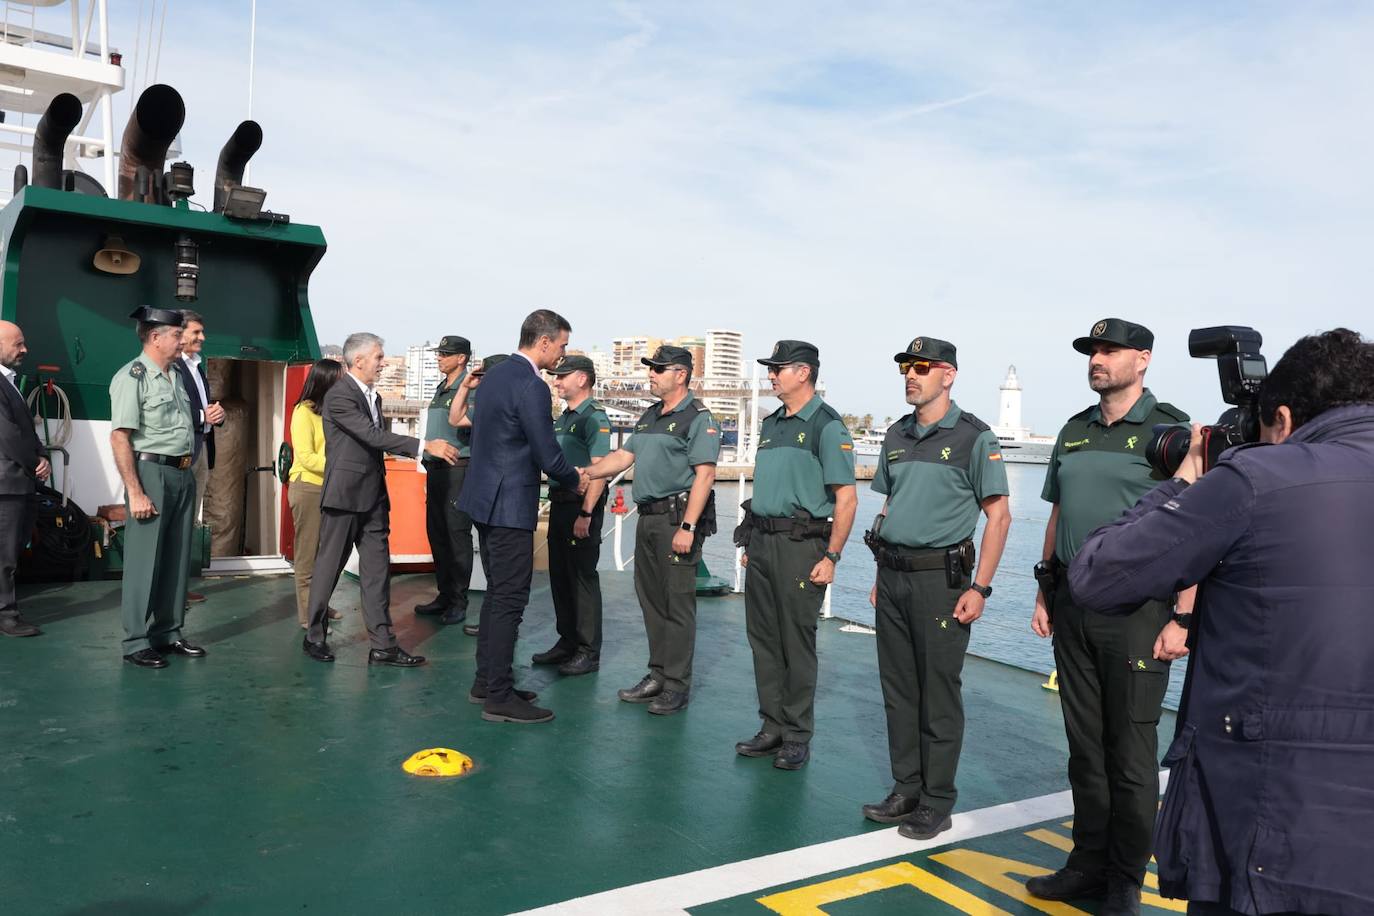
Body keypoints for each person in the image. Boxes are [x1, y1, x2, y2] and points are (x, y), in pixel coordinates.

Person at [1068, 328, 1374, 916]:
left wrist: (1188, 478)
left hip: (1268, 827)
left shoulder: (1257, 480)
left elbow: (1099, 576)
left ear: (1281, 419)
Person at [1026, 318, 1192, 916]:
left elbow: (1195, 525)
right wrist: (1045, 588)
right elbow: (1058, 515)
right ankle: (1087, 864)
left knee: (1129, 750)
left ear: (1142, 360)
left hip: (1138, 608)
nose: (1097, 359)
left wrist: (1184, 617)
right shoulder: (1073, 431)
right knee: (1084, 745)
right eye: (1092, 350)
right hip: (1072, 601)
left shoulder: (1170, 431)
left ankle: (1125, 878)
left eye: (1109, 350)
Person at [858, 336, 1011, 839]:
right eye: (905, 365)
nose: (910, 374)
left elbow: (999, 516)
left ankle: (937, 800)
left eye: (922, 366)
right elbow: (887, 510)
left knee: (938, 694)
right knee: (898, 690)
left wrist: (981, 588)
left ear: (949, 375)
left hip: (941, 583)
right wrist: (880, 575)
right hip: (895, 577)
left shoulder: (974, 437)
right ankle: (907, 789)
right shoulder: (896, 436)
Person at [456, 311, 587, 724]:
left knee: (496, 595)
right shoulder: (531, 386)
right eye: (562, 345)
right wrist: (575, 480)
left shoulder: (495, 376)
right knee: (509, 599)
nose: (563, 354)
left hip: (482, 499)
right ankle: (499, 696)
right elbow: (548, 454)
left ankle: (487, 682)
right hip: (510, 504)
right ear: (544, 342)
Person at [301, 332, 459, 667]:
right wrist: (423, 445)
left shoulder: (373, 397)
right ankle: (314, 636)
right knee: (328, 568)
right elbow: (371, 436)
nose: (383, 362)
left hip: (373, 498)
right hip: (344, 496)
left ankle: (383, 645)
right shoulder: (340, 395)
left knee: (376, 573)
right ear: (358, 361)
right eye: (379, 356)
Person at [734, 340, 857, 770]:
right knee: (763, 639)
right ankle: (771, 726)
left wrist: (833, 557)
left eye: (778, 368)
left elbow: (846, 499)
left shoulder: (827, 425)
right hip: (764, 544)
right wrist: (751, 540)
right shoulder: (772, 424)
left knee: (795, 642)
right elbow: (768, 489)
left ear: (803, 373)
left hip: (802, 548)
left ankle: (797, 735)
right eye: (771, 369)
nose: (771, 375)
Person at [584, 345, 721, 716]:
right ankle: (658, 674)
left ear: (681, 375)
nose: (651, 375)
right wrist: (586, 473)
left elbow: (705, 475)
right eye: (651, 369)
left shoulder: (698, 418)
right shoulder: (649, 417)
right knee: (651, 600)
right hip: (647, 518)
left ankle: (676, 685)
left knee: (677, 603)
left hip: (677, 520)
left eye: (659, 369)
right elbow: (623, 458)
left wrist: (689, 527)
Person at [108, 307, 204, 667]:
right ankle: (135, 641)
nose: (183, 341)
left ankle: (168, 632)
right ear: (155, 337)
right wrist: (135, 491)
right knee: (144, 560)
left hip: (181, 473)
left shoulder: (176, 374)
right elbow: (120, 438)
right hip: (150, 474)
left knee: (178, 558)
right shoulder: (133, 377)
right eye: (178, 336)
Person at [535, 354, 612, 676]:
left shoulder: (594, 418)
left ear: (582, 379)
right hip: (560, 502)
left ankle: (587, 651)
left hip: (581, 506)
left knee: (582, 578)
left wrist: (586, 514)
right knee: (560, 576)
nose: (556, 381)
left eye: (562, 376)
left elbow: (600, 471)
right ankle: (566, 641)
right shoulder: (564, 418)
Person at [414, 335, 476, 627]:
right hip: (436, 470)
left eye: (445, 353)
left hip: (458, 469)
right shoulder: (441, 388)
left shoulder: (471, 387)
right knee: (437, 533)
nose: (439, 357)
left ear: (462, 358)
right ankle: (444, 594)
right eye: (439, 352)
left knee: (456, 535)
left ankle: (458, 601)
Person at [449, 352, 510, 638]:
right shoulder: (484, 407)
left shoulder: (510, 408)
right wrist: (465, 386)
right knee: (489, 562)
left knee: (502, 569)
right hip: (484, 494)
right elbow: (455, 417)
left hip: (504, 496)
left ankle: (502, 627)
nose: (483, 383)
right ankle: (492, 623)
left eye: (487, 378)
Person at [0, 320, 51, 638]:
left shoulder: (10, 382)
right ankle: (6, 615)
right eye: (18, 344)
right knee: (4, 554)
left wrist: (42, 455)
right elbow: (7, 435)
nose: (25, 349)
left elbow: (27, 429)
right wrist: (36, 463)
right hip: (7, 483)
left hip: (18, 480)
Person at [172, 309, 225, 604]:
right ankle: (169, 588)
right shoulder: (172, 367)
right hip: (181, 452)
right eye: (196, 332)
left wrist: (217, 414)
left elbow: (205, 409)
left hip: (201, 448)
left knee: (190, 521)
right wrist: (202, 415)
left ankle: (179, 586)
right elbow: (169, 410)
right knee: (176, 521)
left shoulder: (196, 367)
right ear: (178, 334)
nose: (202, 337)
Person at [287, 359, 344, 629]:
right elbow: (307, 457)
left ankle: (320, 604)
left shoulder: (330, 412)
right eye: (339, 379)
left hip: (328, 487)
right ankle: (308, 617)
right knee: (307, 555)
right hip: (308, 487)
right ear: (326, 381)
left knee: (326, 554)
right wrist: (341, 467)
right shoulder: (303, 412)